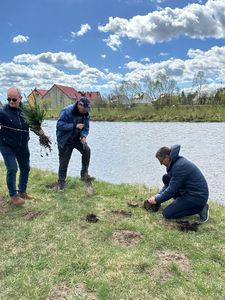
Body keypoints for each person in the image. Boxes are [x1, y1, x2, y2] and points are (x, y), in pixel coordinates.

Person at [0, 87, 43, 205]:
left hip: (22, 145)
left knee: (25, 168)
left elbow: (33, 124)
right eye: (8, 99)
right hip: (6, 145)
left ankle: (22, 192)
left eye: (14, 99)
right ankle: (13, 195)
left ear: (20, 98)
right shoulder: (3, 112)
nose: (11, 102)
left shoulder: (26, 111)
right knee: (13, 168)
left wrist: (40, 132)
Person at [148, 144, 209, 222]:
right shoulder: (174, 162)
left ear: (167, 157)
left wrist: (157, 200)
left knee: (167, 214)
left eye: (161, 161)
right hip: (188, 191)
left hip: (197, 196)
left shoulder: (179, 167)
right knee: (166, 178)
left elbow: (171, 190)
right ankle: (183, 204)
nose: (161, 164)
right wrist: (160, 194)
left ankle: (200, 208)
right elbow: (169, 184)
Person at [56, 97, 94, 192]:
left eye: (87, 109)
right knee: (64, 162)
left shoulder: (85, 114)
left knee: (87, 150)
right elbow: (59, 125)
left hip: (77, 139)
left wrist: (83, 136)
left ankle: (84, 175)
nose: (86, 111)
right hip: (65, 140)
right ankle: (61, 183)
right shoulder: (67, 111)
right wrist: (74, 126)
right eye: (84, 109)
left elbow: (86, 128)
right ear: (79, 105)